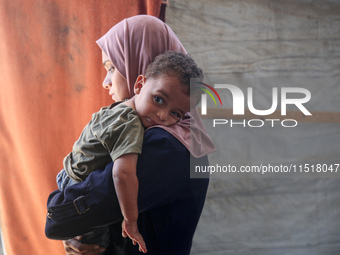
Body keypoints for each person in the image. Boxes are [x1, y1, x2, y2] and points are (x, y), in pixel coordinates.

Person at [45, 15, 215, 254]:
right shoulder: (167, 135)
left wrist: (67, 217)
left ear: (140, 68)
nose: (106, 82)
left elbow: (57, 221)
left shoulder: (166, 146)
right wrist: (84, 235)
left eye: (112, 67)